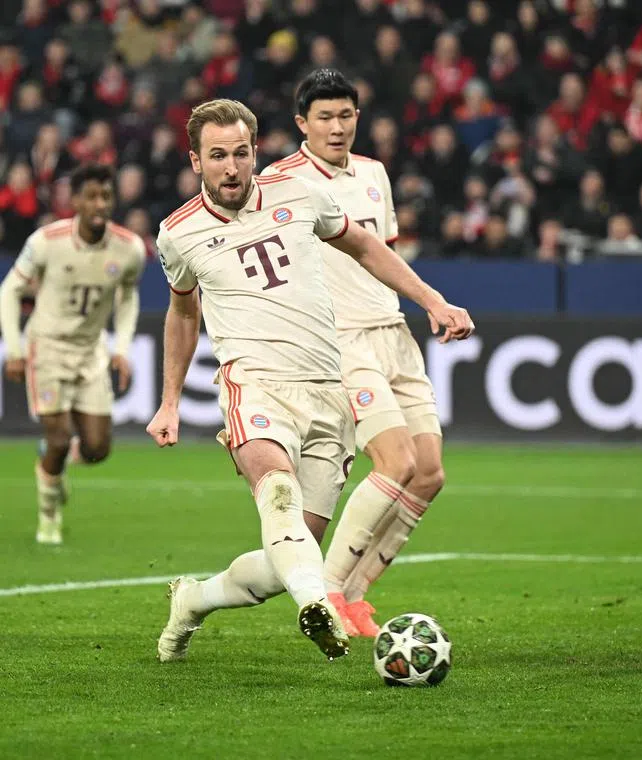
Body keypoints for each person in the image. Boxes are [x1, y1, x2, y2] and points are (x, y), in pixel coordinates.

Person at [147, 99, 473, 663]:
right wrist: (169, 401)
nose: (232, 167)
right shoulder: (179, 234)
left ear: (255, 152)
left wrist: (431, 300)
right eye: (218, 156)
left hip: (328, 388)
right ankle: (316, 604)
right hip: (254, 382)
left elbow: (367, 246)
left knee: (286, 555)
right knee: (276, 489)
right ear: (195, 160)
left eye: (241, 154)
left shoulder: (298, 194)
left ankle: (195, 598)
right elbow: (182, 313)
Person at [261, 69, 451, 638]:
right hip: (340, 341)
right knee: (396, 463)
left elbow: (378, 253)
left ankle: (356, 595)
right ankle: (328, 592)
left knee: (430, 474)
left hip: (392, 332)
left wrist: (428, 305)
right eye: (325, 117)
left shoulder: (374, 174)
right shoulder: (279, 181)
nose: (337, 127)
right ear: (302, 124)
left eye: (346, 116)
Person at [0, 163, 146, 545]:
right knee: (61, 437)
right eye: (92, 196)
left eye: (106, 196)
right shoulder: (46, 241)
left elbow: (129, 297)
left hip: (91, 351)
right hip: (47, 348)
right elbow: (9, 290)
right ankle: (49, 516)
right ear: (75, 201)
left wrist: (123, 349)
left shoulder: (129, 249)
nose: (100, 204)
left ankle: (54, 460)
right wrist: (14, 349)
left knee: (97, 448)